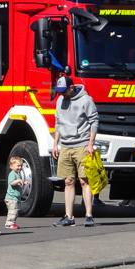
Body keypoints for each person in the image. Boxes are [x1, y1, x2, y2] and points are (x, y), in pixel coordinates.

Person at [52, 76, 99, 227]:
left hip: (82, 145)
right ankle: (68, 216)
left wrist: (90, 144)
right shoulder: (60, 100)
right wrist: (55, 144)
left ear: (71, 87)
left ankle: (89, 215)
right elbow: (58, 122)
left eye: (64, 91)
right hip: (65, 145)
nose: (61, 94)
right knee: (68, 181)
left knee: (84, 181)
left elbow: (94, 121)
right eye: (59, 91)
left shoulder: (86, 100)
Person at [4, 156, 28, 229]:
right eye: (18, 166)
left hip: (15, 197)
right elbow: (11, 183)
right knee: (13, 211)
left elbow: (18, 184)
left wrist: (23, 182)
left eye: (21, 166)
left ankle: (12, 223)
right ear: (11, 166)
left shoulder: (17, 174)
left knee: (15, 211)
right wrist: (18, 181)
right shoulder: (12, 174)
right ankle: (9, 224)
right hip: (11, 197)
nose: (20, 167)